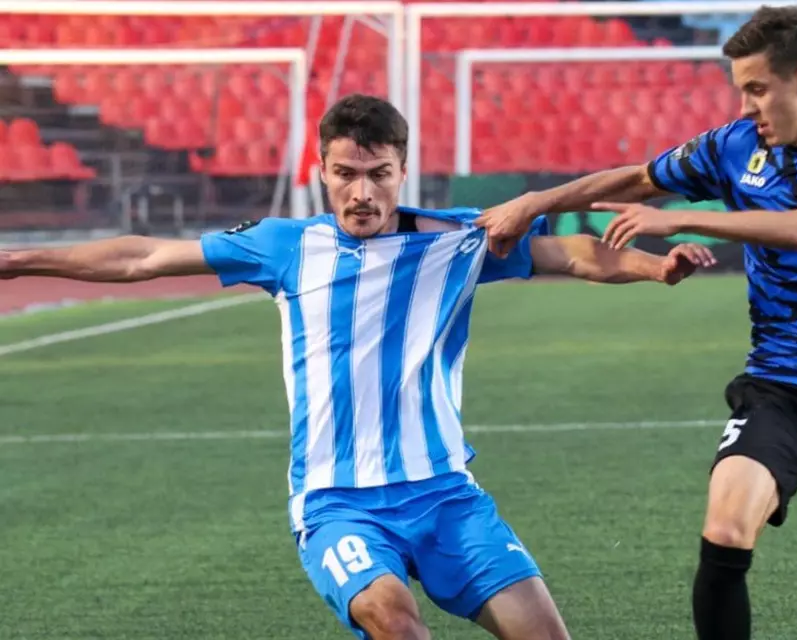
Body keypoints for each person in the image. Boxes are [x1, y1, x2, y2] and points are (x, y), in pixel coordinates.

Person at [0, 94, 715, 640]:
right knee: (395, 622)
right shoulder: (285, 246)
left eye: (378, 175)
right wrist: (20, 259)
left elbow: (573, 254)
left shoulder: (458, 240)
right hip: (339, 504)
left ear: (403, 171)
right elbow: (143, 256)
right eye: (345, 175)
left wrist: (657, 268)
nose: (362, 193)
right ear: (322, 172)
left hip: (445, 495)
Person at [476, 6, 797, 640]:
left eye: (757, 89)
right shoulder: (735, 146)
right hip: (780, 387)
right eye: (741, 91)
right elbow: (639, 179)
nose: (747, 107)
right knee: (727, 526)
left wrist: (683, 217)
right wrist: (537, 201)